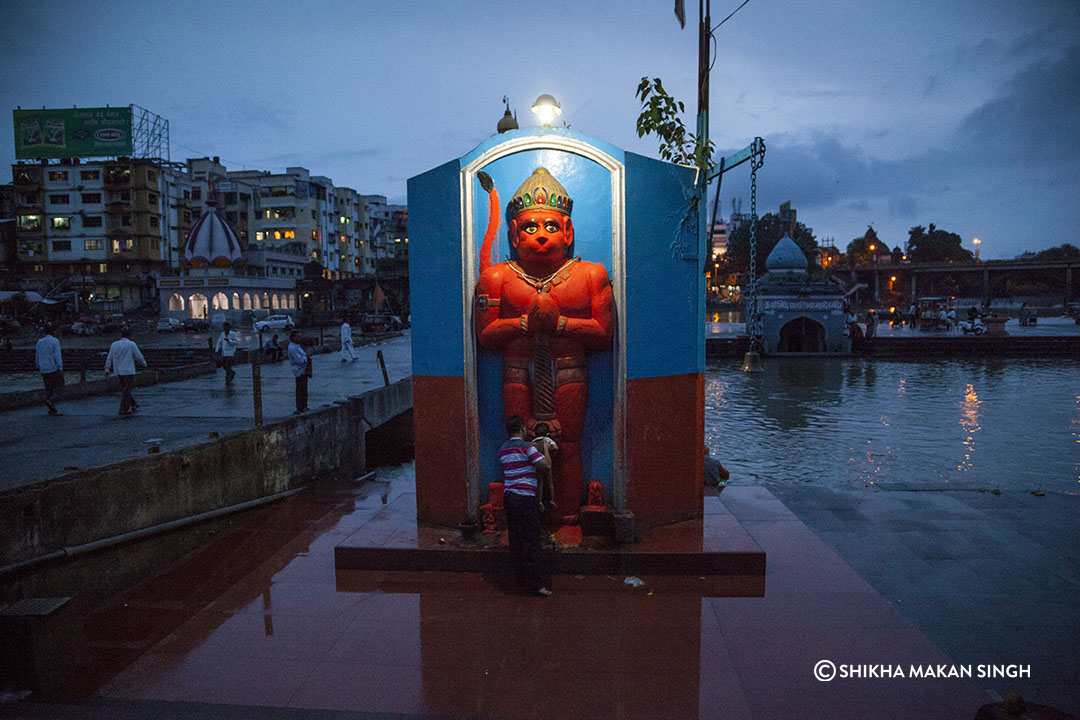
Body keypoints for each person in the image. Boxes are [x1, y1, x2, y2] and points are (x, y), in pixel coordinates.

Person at [475, 167, 614, 522]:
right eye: (531, 227)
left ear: (567, 231)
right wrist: (524, 323)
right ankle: (523, 520)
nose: (540, 236)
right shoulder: (497, 278)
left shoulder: (590, 275)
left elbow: (604, 333)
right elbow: (485, 336)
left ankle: (567, 518)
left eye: (551, 226)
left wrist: (561, 323)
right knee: (520, 448)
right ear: (513, 234)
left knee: (566, 445)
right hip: (518, 370)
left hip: (570, 370)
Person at [500, 414, 553, 597]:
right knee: (531, 540)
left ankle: (520, 580)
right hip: (525, 498)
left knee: (516, 539)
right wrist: (545, 446)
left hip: (509, 497)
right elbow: (545, 466)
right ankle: (536, 584)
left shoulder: (502, 450)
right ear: (522, 428)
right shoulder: (527, 448)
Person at [104, 326, 146, 416]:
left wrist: (107, 369)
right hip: (129, 371)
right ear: (129, 335)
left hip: (118, 371)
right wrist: (144, 364)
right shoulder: (131, 344)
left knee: (125, 389)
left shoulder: (114, 344)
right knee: (126, 390)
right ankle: (123, 409)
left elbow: (109, 358)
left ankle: (133, 403)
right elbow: (138, 356)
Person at [35, 323, 63, 415]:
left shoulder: (39, 342)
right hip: (53, 367)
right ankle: (51, 401)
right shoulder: (55, 341)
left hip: (43, 368)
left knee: (48, 388)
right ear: (54, 332)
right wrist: (60, 367)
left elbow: (37, 355)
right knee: (59, 387)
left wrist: (38, 366)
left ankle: (52, 408)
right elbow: (57, 355)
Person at [288, 330, 309, 414]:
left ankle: (304, 406)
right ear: (293, 337)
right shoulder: (293, 348)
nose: (300, 338)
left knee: (304, 390)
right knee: (301, 390)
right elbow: (299, 361)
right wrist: (306, 357)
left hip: (303, 371)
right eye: (298, 337)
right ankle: (300, 407)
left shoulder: (297, 346)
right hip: (299, 371)